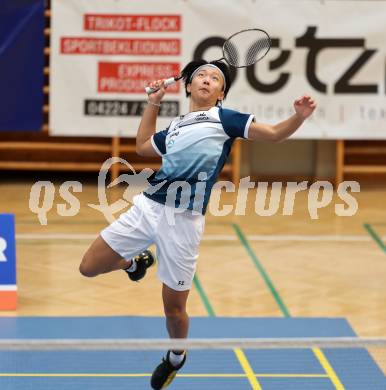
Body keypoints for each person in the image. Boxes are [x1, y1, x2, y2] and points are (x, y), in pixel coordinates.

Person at [79, 59, 316, 389]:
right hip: (148, 207)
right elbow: (143, 147)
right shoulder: (176, 126)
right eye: (201, 75)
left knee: (174, 311)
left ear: (221, 92)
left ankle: (176, 356)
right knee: (89, 266)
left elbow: (275, 134)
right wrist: (153, 103)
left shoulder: (225, 120)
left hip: (184, 222)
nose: (206, 79)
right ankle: (134, 263)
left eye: (215, 78)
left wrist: (299, 117)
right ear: (189, 85)